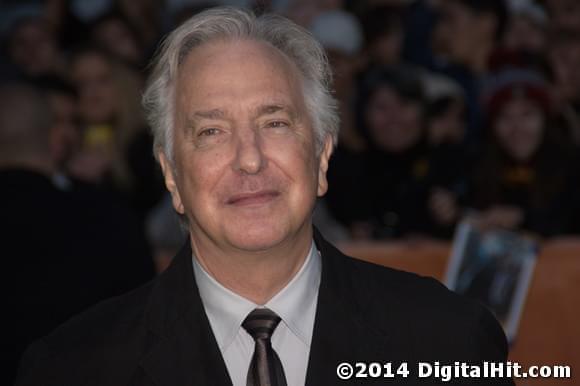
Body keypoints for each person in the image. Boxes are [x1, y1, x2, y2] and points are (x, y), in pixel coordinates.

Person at [16, 7, 514, 386]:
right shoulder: (71, 367)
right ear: (171, 174)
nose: (249, 159)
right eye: (211, 131)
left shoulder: (451, 342)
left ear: (321, 158)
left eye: (275, 123)